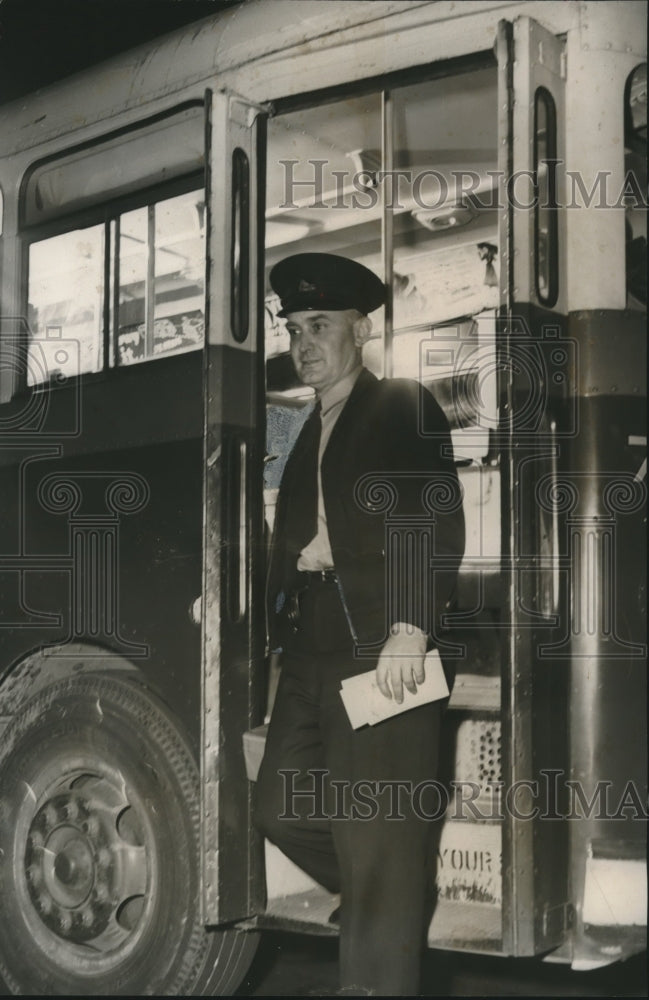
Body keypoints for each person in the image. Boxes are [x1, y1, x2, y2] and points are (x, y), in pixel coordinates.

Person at [255, 253, 465, 996]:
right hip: (313, 642)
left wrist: (411, 625)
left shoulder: (401, 404)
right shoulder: (306, 428)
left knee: (378, 842)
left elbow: (429, 517)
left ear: (361, 328)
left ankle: (379, 948)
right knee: (279, 804)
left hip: (383, 645)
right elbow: (292, 540)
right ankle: (390, 892)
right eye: (292, 328)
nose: (302, 342)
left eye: (319, 325)